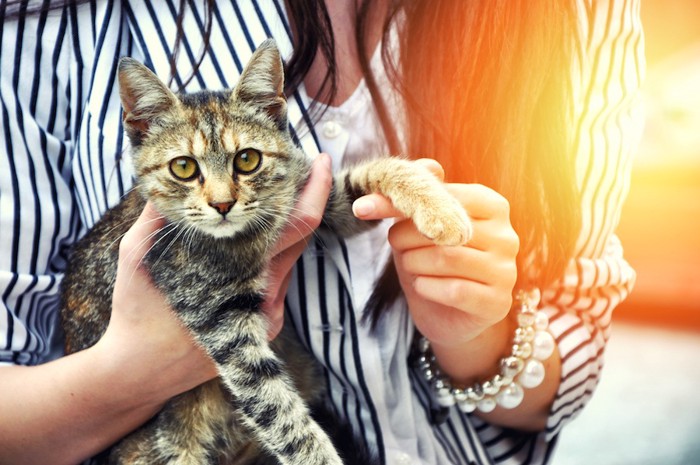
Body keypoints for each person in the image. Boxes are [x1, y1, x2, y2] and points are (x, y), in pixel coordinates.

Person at [0, 1, 642, 464]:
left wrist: (478, 337)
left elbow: (573, 362)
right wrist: (127, 373)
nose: (222, 197)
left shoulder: (577, 16)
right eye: (193, 170)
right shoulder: (50, 25)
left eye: (246, 161)